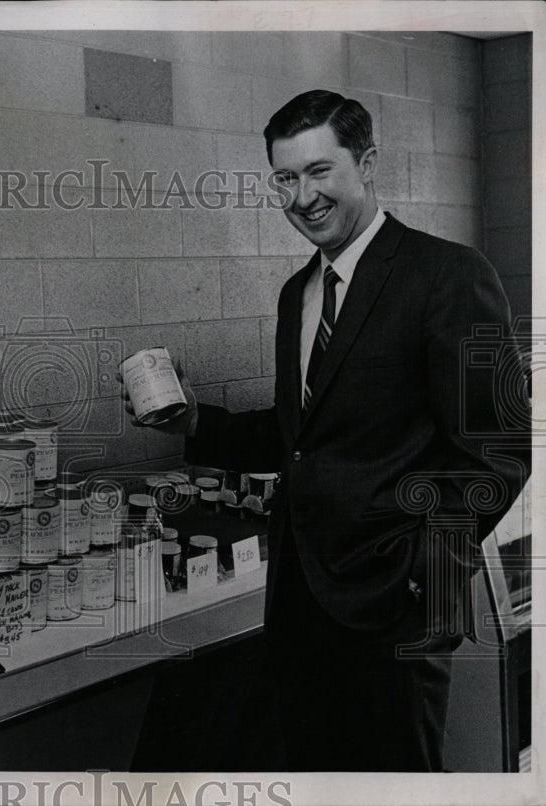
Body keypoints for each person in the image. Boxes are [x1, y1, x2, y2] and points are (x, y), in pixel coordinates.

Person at [122, 90, 529, 771]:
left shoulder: (448, 276)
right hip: (299, 606)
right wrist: (195, 422)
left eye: (319, 171)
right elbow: (299, 436)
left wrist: (422, 573)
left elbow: (499, 452)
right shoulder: (298, 294)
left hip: (396, 611)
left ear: (367, 165)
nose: (301, 196)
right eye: (285, 177)